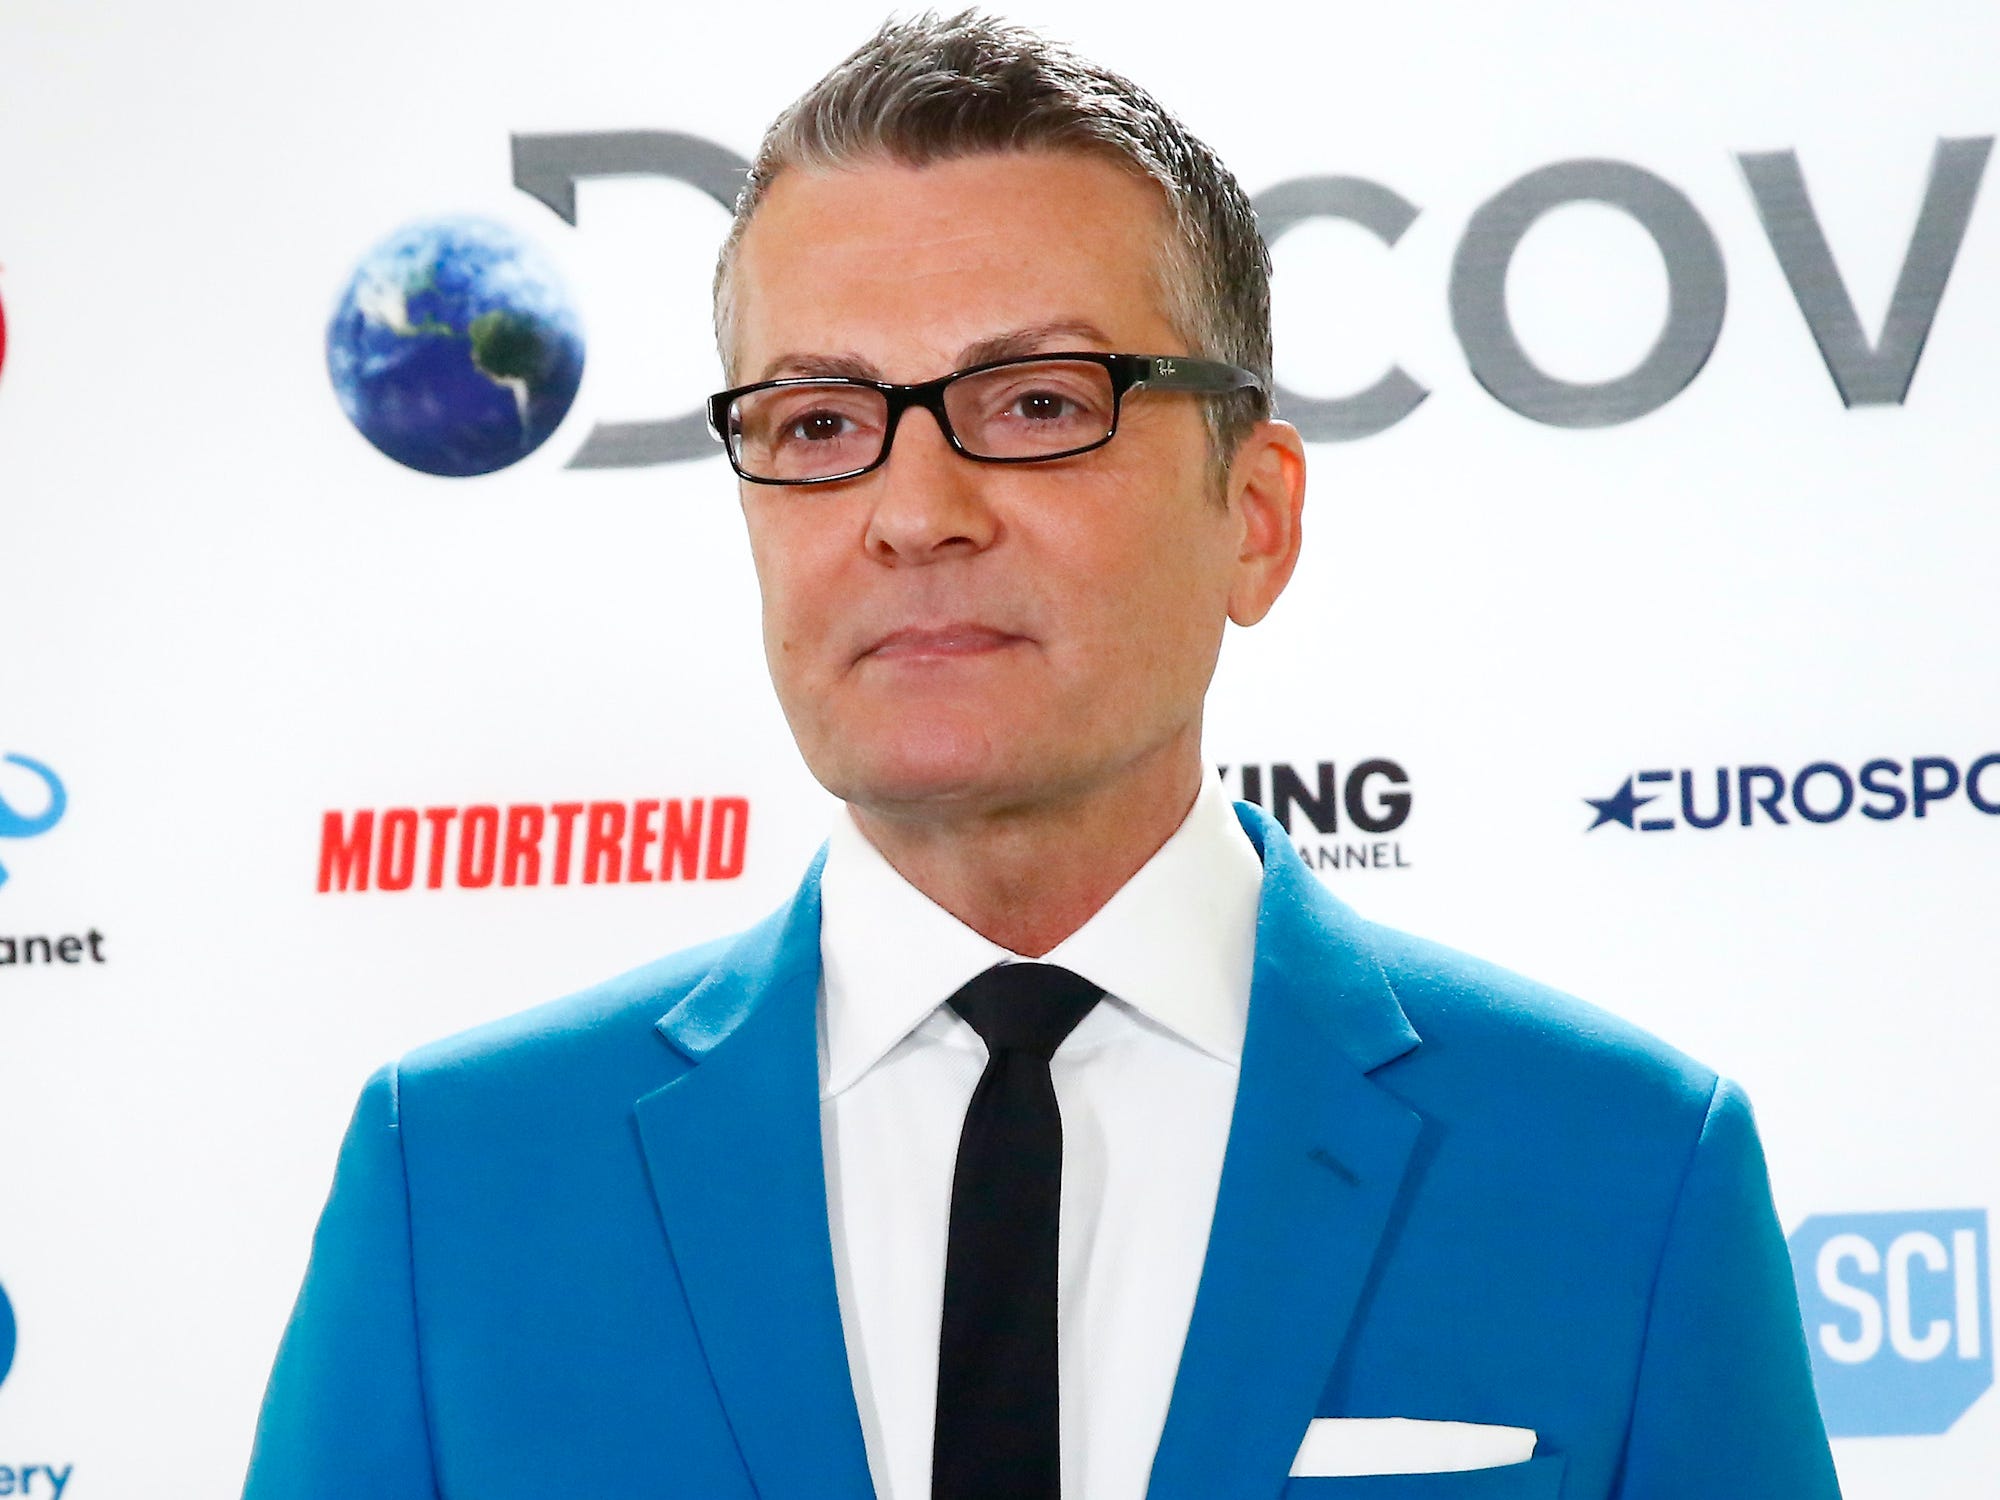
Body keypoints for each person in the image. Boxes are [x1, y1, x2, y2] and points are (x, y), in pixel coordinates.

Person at [243, 13, 1840, 1500]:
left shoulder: (1629, 1178)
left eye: (1035, 403)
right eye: (816, 423)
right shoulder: (452, 1190)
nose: (917, 507)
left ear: (1256, 518)